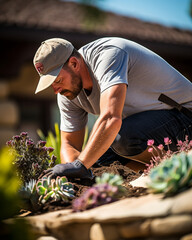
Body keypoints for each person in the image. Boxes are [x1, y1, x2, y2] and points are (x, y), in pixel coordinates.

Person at [33, 37, 192, 179]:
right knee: (96, 166)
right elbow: (69, 144)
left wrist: (80, 165)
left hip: (185, 114)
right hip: (149, 127)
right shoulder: (67, 92)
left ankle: (180, 168)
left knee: (122, 139)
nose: (56, 89)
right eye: (51, 84)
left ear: (74, 63)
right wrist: (71, 174)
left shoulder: (109, 54)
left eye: (58, 80)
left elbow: (111, 118)